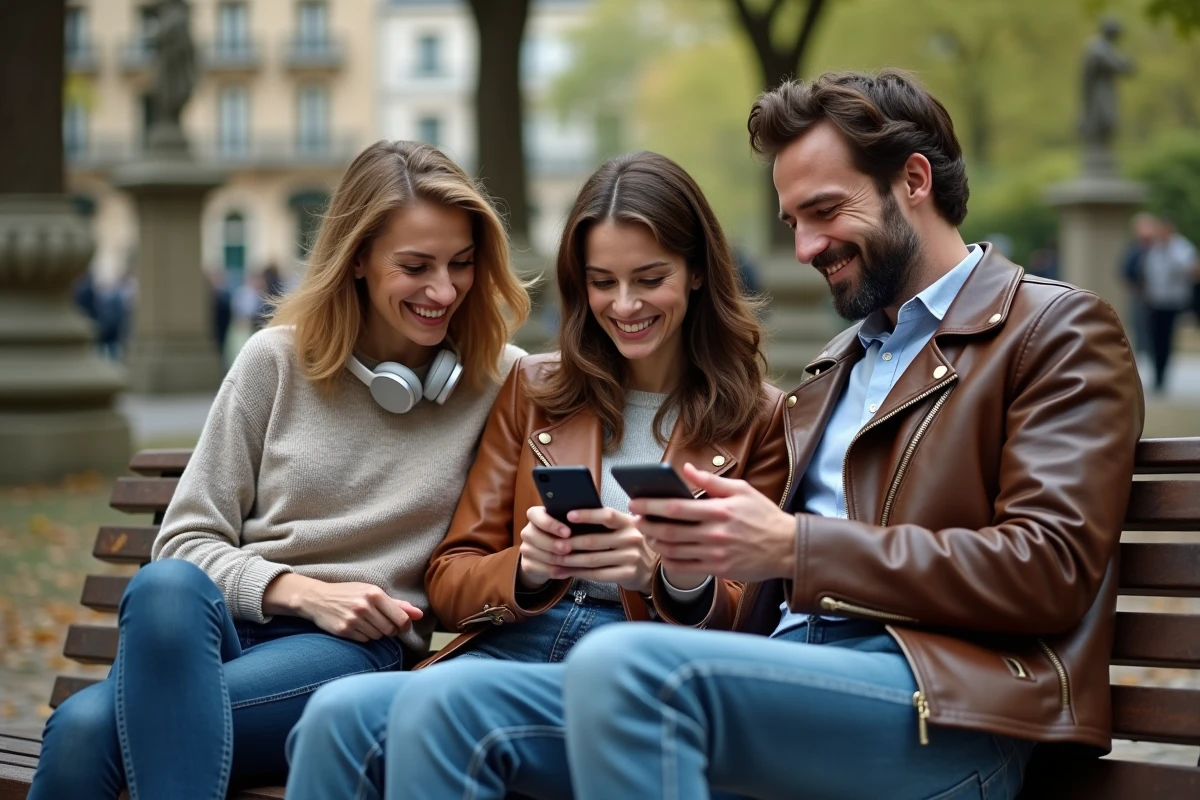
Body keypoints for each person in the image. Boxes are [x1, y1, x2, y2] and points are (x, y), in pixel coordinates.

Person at [554, 69, 1144, 800]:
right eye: (792, 222)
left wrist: (793, 546)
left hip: (950, 713)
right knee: (438, 706)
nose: (805, 247)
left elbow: (1048, 568)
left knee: (618, 667)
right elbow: (759, 598)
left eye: (825, 211)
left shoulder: (1055, 330)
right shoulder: (837, 366)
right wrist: (693, 561)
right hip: (796, 680)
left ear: (915, 180)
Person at [28, 140, 531, 800]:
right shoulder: (275, 361)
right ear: (357, 260)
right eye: (416, 266)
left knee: (85, 729)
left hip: (357, 651)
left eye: (461, 264)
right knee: (163, 587)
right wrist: (298, 590)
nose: (444, 290)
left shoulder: (503, 380)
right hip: (232, 634)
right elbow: (184, 541)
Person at [284, 150, 791, 799]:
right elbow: (451, 576)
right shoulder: (536, 387)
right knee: (334, 716)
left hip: (634, 670)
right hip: (516, 643)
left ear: (696, 272)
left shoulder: (762, 418)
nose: (625, 304)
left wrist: (664, 575)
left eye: (649, 278)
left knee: (443, 703)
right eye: (603, 281)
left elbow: (761, 621)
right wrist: (527, 566)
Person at [1141, 214, 1198, 393]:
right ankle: (1157, 373)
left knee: (1165, 339)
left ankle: (1162, 376)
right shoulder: (1155, 248)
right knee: (1154, 338)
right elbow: (1148, 271)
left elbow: (1189, 269)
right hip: (1155, 299)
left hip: (1172, 300)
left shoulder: (1181, 248)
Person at [1120, 211, 1157, 357]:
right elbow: (1125, 270)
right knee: (1140, 325)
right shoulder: (1134, 250)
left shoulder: (1158, 248)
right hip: (1140, 294)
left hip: (1158, 296)